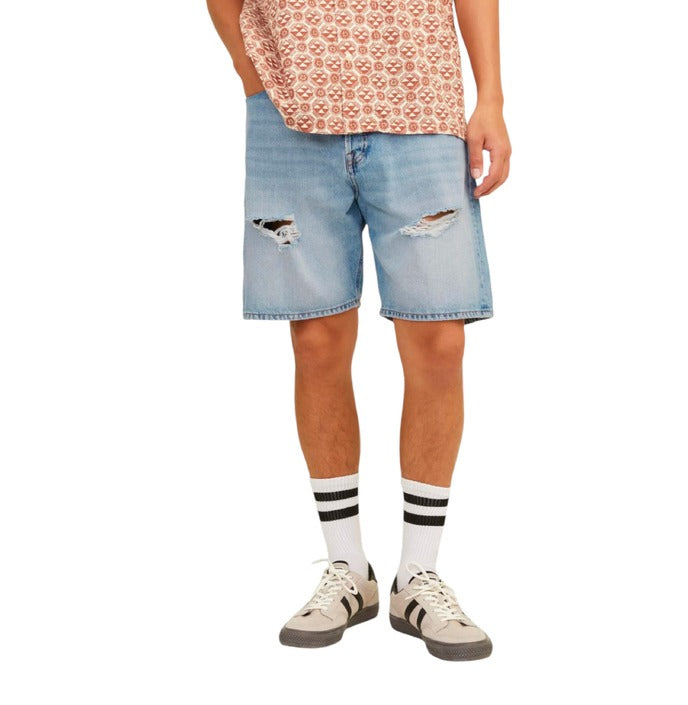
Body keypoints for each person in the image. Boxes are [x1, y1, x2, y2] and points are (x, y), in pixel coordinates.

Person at [206, 0, 510, 661]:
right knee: (316, 342)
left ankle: (417, 575)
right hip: (289, 114)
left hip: (421, 107)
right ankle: (348, 568)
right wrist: (250, 70)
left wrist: (489, 96)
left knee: (440, 339)